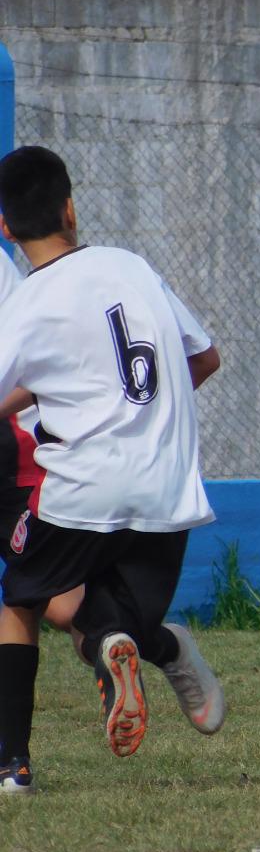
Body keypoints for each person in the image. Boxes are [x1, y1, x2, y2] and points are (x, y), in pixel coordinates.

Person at [0, 146, 226, 795]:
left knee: (21, 600)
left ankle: (13, 767)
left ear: (6, 228)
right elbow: (204, 358)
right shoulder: (132, 266)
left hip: (83, 487)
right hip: (168, 487)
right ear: (71, 209)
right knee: (108, 624)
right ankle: (142, 649)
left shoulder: (27, 303)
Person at [1, 250, 85, 652]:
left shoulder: (8, 282)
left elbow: (34, 369)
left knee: (63, 608)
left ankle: (142, 644)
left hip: (11, 461)